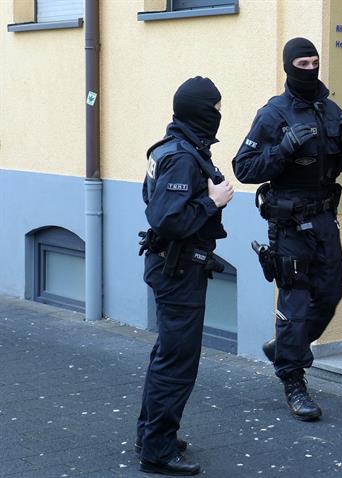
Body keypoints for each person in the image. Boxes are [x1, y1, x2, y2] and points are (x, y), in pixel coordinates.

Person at [233, 38, 342, 421]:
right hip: (289, 225)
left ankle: (287, 347)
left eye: (314, 62)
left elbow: (338, 167)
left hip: (324, 220)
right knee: (296, 301)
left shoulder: (330, 109)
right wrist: (283, 149)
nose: (310, 69)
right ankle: (293, 379)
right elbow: (244, 167)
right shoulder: (274, 114)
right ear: (289, 67)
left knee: (331, 293)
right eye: (302, 63)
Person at [136, 76, 234, 475]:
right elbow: (167, 219)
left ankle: (151, 436)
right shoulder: (180, 156)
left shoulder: (174, 147)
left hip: (174, 266)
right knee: (177, 362)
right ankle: (157, 450)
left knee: (168, 355)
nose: (218, 115)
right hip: (177, 269)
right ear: (198, 111)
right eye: (214, 109)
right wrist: (212, 202)